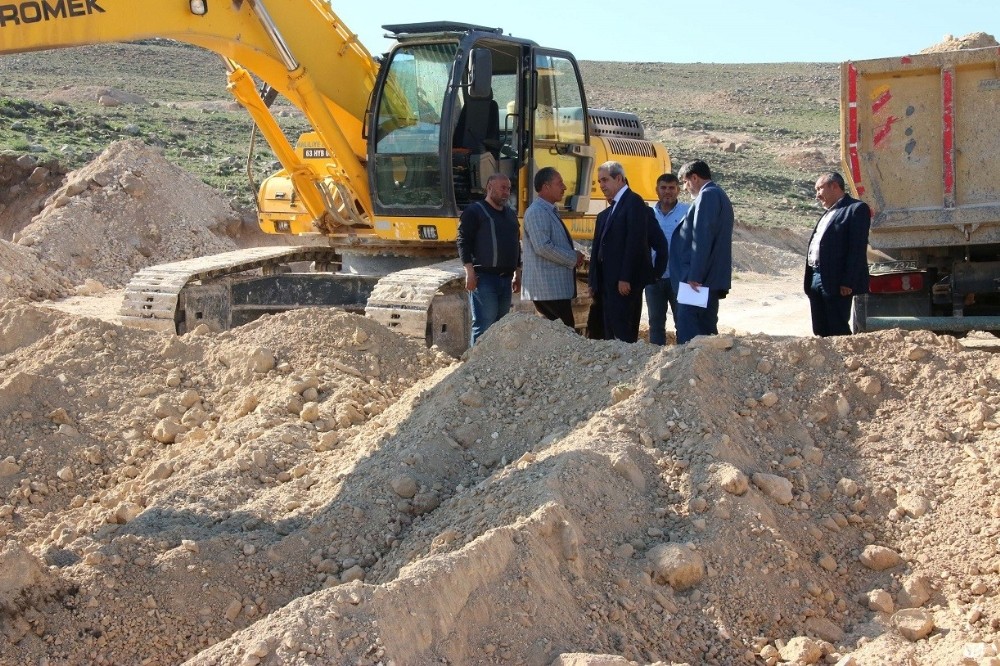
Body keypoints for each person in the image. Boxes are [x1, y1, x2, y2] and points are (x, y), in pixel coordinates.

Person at [588, 161, 657, 343]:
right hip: (608, 283)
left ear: (619, 179)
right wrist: (593, 281)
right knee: (610, 333)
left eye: (605, 180)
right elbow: (600, 247)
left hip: (622, 285)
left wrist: (625, 277)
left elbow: (635, 242)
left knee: (623, 334)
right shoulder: (612, 209)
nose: (601, 185)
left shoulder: (633, 202)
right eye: (599, 181)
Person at [669, 160, 734, 344]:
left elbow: (701, 238)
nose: (685, 187)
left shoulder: (707, 196)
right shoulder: (718, 195)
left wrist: (694, 275)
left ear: (694, 178)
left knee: (690, 331)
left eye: (684, 182)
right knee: (704, 330)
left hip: (697, 282)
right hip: (706, 279)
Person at [457, 173, 522, 343]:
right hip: (484, 279)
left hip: (505, 280)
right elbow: (463, 242)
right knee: (484, 325)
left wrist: (517, 271)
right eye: (502, 188)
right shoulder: (475, 212)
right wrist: (469, 272)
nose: (506, 192)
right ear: (489, 187)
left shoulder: (510, 215)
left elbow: (515, 243)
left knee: (501, 326)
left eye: (508, 188)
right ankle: (476, 366)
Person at [804, 172, 871, 336]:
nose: (817, 195)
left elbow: (857, 248)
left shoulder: (856, 209)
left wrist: (848, 281)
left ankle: (845, 360)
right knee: (820, 329)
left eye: (819, 189)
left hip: (837, 280)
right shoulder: (828, 213)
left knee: (837, 327)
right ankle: (828, 361)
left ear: (834, 186)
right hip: (815, 276)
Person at [521, 167, 584, 328]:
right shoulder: (537, 212)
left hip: (553, 290)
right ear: (546, 186)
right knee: (565, 337)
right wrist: (572, 257)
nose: (564, 187)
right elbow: (542, 247)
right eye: (559, 183)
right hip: (548, 289)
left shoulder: (548, 210)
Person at [645, 173, 690, 345]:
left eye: (671, 188)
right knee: (655, 324)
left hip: (680, 278)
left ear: (678, 190)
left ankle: (683, 362)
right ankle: (656, 360)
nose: (667, 192)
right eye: (663, 188)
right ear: (657, 190)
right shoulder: (649, 213)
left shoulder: (688, 211)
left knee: (684, 322)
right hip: (654, 278)